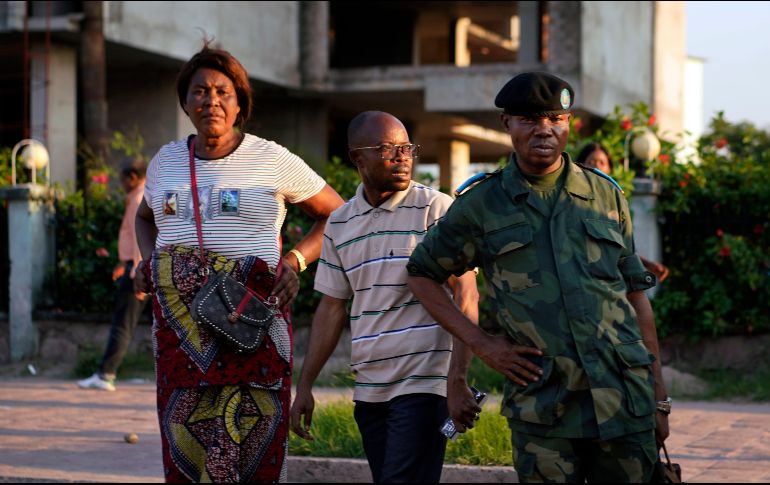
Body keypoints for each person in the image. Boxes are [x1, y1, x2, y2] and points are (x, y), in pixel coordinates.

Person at [406, 72, 670, 483]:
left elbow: (635, 297)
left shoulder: (606, 194)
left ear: (568, 124)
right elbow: (421, 275)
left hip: (624, 399)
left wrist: (659, 398)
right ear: (506, 123)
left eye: (555, 118)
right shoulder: (480, 205)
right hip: (544, 409)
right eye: (529, 119)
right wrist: (483, 345)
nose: (544, 129)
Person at [132, 42, 344, 483]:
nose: (211, 100)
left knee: (255, 438)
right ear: (186, 102)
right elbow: (144, 216)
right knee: (184, 438)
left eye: (222, 91)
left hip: (252, 323)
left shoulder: (272, 158)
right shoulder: (166, 161)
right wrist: (150, 262)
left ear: (240, 101)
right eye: (200, 91)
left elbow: (337, 214)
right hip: (181, 337)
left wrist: (296, 259)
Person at [290, 111, 480, 483]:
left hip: (424, 384)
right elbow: (332, 307)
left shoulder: (437, 210)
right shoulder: (341, 222)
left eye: (406, 147)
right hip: (370, 391)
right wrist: (306, 386)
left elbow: (467, 294)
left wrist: (457, 378)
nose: (402, 156)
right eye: (386, 148)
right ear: (357, 158)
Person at [78, 159, 149, 392]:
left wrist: (138, 273)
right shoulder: (139, 196)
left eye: (122, 179)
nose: (121, 184)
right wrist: (123, 262)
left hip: (137, 271)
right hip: (132, 266)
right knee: (124, 322)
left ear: (131, 177)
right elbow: (130, 235)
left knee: (123, 324)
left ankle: (106, 374)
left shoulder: (139, 198)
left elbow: (142, 238)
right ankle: (105, 373)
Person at [577, 142, 670, 283]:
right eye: (591, 161)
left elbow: (621, 247)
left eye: (602, 162)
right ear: (580, 165)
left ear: (609, 169)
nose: (596, 166)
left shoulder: (613, 202)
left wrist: (648, 265)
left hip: (606, 282)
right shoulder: (571, 199)